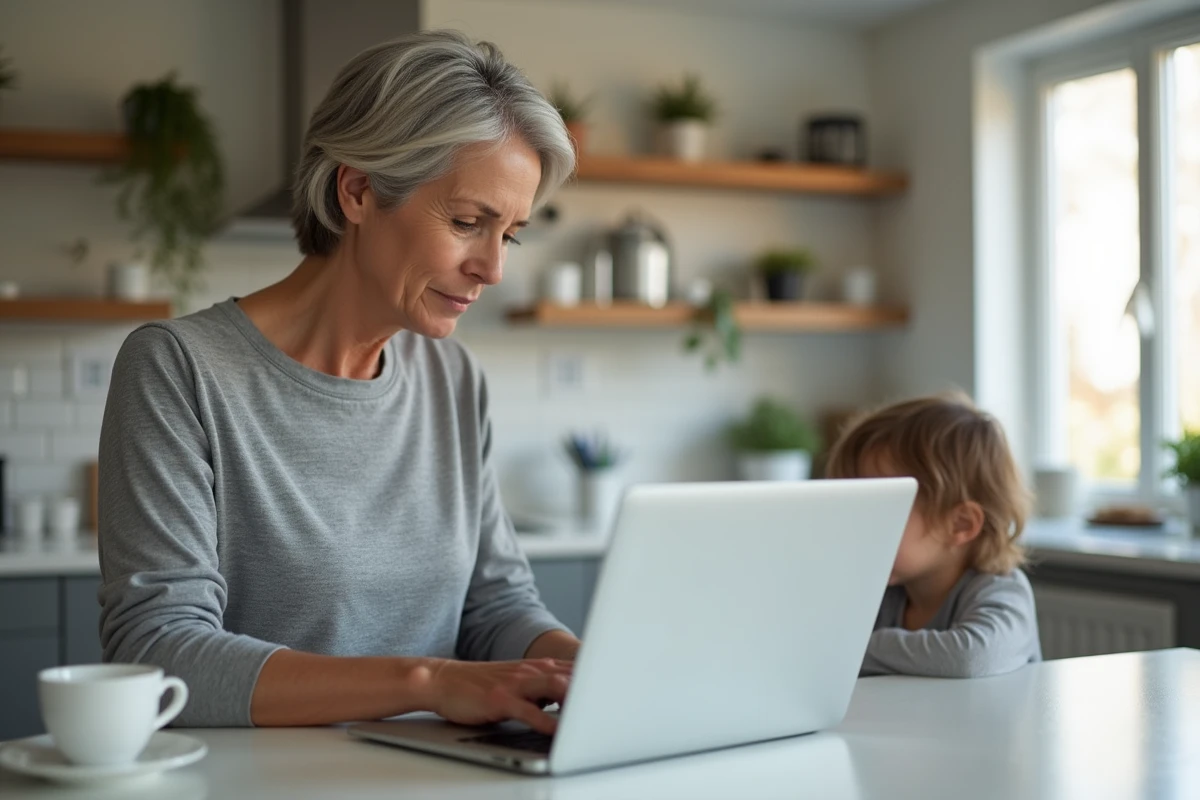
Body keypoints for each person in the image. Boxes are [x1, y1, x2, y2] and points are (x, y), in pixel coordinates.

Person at [98, 31, 579, 732]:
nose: (492, 268)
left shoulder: (452, 381)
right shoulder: (179, 369)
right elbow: (159, 654)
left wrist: (579, 667)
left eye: (507, 234)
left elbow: (496, 607)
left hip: (436, 779)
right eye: (469, 222)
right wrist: (428, 682)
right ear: (357, 190)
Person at [824, 393, 1042, 678]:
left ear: (961, 524)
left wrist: (848, 649)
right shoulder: (885, 595)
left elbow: (971, 656)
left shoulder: (1002, 590)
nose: (856, 529)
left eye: (878, 511)